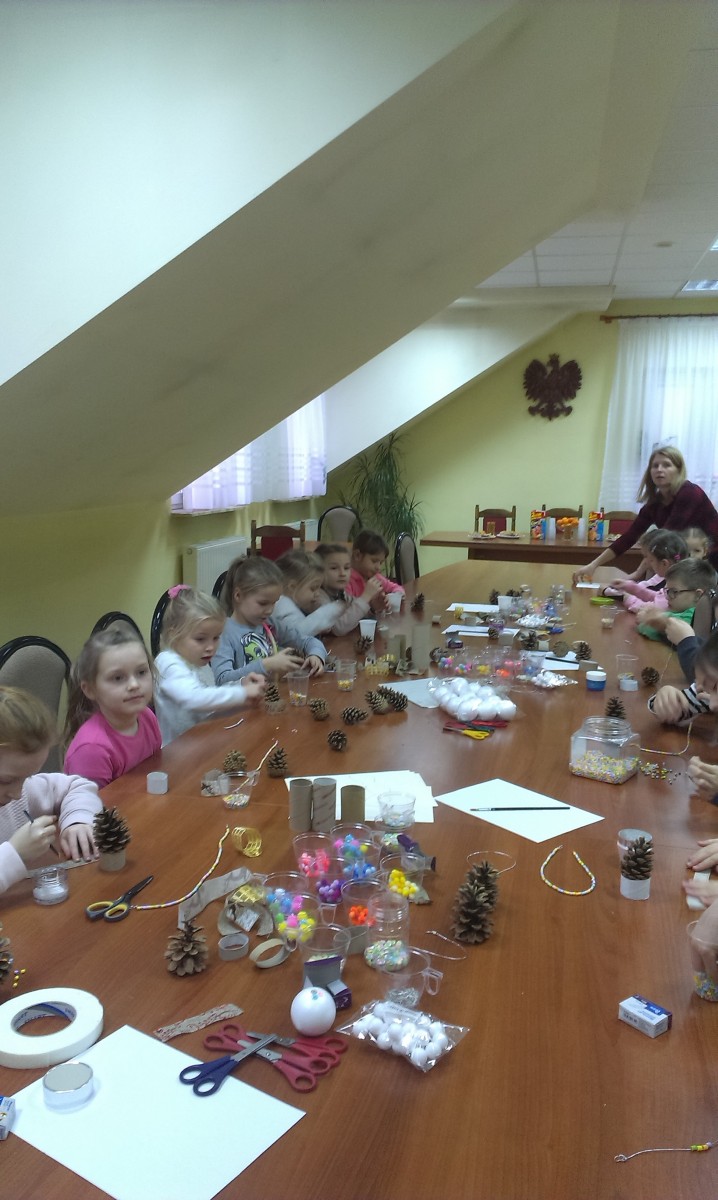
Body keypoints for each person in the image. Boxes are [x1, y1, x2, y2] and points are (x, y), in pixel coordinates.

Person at [0, 686, 101, 893]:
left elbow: (76, 786)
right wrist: (14, 853)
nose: (17, 794)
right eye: (6, 780)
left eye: (27, 777)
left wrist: (78, 820)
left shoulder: (22, 791)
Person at [573, 446, 718, 582]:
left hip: (710, 558)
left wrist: (637, 573)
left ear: (679, 471)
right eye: (655, 466)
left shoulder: (689, 493)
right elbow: (629, 537)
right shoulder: (654, 504)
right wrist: (593, 565)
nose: (659, 469)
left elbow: (664, 538)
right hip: (687, 560)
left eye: (667, 465)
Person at [154, 585, 265, 745]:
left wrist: (241, 685)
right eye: (200, 639)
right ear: (174, 634)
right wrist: (242, 693)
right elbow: (194, 698)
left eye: (216, 637)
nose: (211, 647)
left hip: (202, 742)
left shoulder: (198, 661)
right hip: (176, 753)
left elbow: (210, 702)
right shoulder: (167, 662)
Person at [64, 628, 161, 788]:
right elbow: (91, 803)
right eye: (118, 678)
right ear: (90, 690)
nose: (134, 685)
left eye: (141, 672)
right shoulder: (92, 750)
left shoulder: (147, 716)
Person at [213, 557, 326, 685]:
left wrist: (316, 655)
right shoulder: (223, 633)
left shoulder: (270, 623)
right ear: (238, 595)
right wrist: (266, 665)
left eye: (274, 603)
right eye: (263, 603)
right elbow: (222, 680)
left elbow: (308, 641)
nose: (270, 610)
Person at [636, 558, 717, 665]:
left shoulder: (693, 615)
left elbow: (650, 628)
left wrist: (649, 620)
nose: (667, 597)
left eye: (673, 592)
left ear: (698, 595)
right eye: (667, 591)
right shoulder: (677, 612)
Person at [600, 530, 687, 612]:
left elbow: (652, 611)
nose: (648, 563)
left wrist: (625, 598)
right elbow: (656, 596)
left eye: (652, 560)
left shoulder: (675, 588)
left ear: (664, 563)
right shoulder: (674, 580)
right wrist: (630, 587)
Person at [272, 549, 345, 639]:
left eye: (319, 588)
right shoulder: (283, 604)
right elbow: (297, 634)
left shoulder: (291, 602)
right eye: (313, 588)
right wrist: (330, 611)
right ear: (292, 587)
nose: (317, 594)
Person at [314, 542, 384, 634]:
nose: (342, 573)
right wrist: (365, 597)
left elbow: (355, 614)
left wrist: (373, 607)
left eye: (346, 568)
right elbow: (338, 628)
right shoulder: (318, 597)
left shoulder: (341, 594)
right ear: (318, 572)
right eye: (334, 568)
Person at [346, 529, 404, 607]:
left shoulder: (375, 577)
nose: (378, 567)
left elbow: (395, 588)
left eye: (381, 563)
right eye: (374, 561)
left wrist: (396, 595)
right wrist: (368, 596)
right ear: (357, 555)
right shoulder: (345, 581)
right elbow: (348, 611)